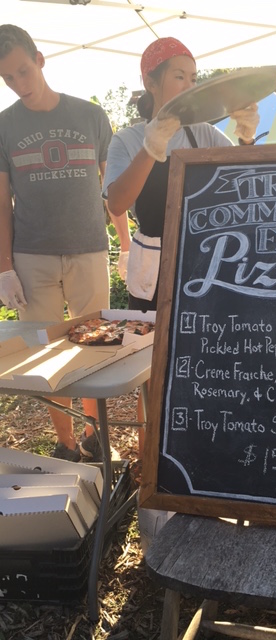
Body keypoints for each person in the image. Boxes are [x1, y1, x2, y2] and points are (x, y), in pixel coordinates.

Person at [103, 36, 259, 460]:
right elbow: (117, 202)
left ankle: (201, 455)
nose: (189, 85)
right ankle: (150, 459)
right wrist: (152, 149)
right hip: (153, 268)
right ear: (150, 81)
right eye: (178, 76)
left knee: (206, 360)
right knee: (152, 367)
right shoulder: (128, 140)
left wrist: (246, 140)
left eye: (193, 77)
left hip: (206, 266)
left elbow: (246, 187)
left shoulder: (205, 133)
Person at [0, 24, 131, 462]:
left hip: (89, 248)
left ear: (40, 59)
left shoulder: (90, 115)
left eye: (23, 71)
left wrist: (126, 245)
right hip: (32, 254)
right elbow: (1, 201)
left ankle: (97, 435)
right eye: (8, 79)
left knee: (95, 345)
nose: (20, 85)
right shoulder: (4, 126)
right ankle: (67, 443)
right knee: (44, 353)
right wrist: (4, 265)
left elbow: (113, 188)